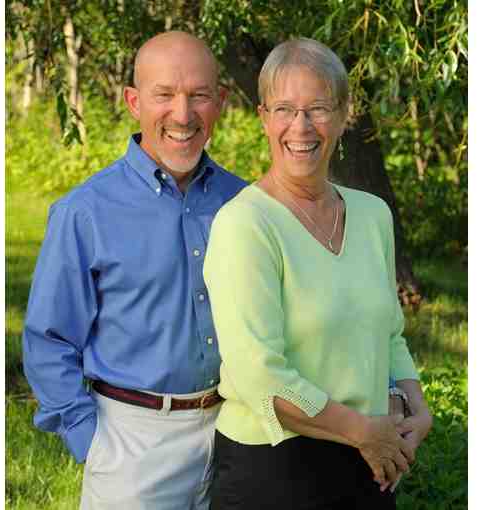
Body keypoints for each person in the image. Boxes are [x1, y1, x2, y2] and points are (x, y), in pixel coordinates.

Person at [203, 38, 433, 509]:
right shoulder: (245, 224)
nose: (301, 126)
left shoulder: (373, 214)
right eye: (284, 109)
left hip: (370, 460)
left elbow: (390, 334)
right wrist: (362, 431)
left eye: (319, 109)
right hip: (274, 466)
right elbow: (259, 376)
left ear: (345, 115)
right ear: (263, 117)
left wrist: (417, 406)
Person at [22, 31, 247, 510]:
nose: (182, 115)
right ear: (133, 101)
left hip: (235, 434)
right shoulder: (85, 212)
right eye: (164, 94)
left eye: (199, 95)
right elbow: (48, 339)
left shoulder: (245, 203)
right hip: (132, 444)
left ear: (221, 102)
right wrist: (91, 440)